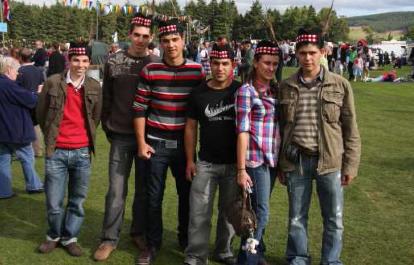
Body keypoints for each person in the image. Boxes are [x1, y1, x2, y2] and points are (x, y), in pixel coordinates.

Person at [278, 29, 361, 265]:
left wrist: (350, 165)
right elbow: (281, 128)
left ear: (322, 52)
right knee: (296, 217)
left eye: (312, 53)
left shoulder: (340, 84)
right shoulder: (285, 86)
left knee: (334, 218)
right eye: (303, 53)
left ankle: (331, 260)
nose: (308, 58)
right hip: (297, 161)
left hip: (331, 161)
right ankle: (298, 257)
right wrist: (282, 163)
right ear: (296, 53)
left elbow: (351, 129)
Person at [133, 19, 205, 265]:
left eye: (175, 39)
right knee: (154, 197)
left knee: (187, 197)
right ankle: (153, 244)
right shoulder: (150, 70)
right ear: (160, 43)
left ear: (183, 40)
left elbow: (202, 110)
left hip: (184, 146)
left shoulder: (197, 72)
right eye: (166, 41)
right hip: (156, 143)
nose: (171, 45)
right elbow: (140, 108)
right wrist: (141, 143)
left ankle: (185, 241)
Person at [93, 14, 160, 262]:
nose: (141, 40)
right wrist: (109, 127)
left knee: (144, 190)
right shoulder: (114, 61)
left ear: (150, 37)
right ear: (129, 35)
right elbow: (106, 98)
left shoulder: (155, 64)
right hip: (120, 135)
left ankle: (138, 232)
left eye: (145, 36)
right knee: (116, 190)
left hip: (148, 137)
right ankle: (109, 238)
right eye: (137, 35)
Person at [36, 41, 102, 257]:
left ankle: (69, 237)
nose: (80, 65)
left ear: (89, 62)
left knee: (77, 201)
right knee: (54, 202)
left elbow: (95, 116)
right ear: (69, 60)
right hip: (56, 151)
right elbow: (41, 114)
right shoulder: (53, 83)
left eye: (84, 61)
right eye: (76, 60)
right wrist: (50, 140)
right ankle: (54, 235)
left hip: (82, 152)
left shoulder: (94, 86)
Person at [183, 44, 241, 265]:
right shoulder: (199, 93)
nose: (219, 68)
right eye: (215, 63)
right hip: (205, 163)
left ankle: (224, 251)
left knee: (229, 213)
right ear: (209, 64)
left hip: (234, 164)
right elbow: (190, 127)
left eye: (225, 63)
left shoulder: (239, 90)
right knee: (199, 213)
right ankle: (196, 255)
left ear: (232, 65)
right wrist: (190, 160)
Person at [235, 40, 281, 265]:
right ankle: (248, 259)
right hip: (254, 161)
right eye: (266, 63)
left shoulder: (275, 90)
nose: (270, 68)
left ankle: (255, 252)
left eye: (274, 64)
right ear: (255, 63)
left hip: (271, 160)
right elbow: (242, 131)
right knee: (259, 213)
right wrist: (241, 168)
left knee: (255, 211)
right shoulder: (246, 91)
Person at [0, 56, 43, 199]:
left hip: (3, 131)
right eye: (16, 71)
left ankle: (4, 191)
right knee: (27, 156)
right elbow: (30, 101)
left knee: (3, 160)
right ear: (9, 69)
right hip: (16, 129)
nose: (18, 74)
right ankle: (34, 185)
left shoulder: (6, 84)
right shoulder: (9, 86)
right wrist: (36, 93)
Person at [17, 48, 45, 158]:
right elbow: (41, 85)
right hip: (36, 100)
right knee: (36, 126)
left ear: (20, 58)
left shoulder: (20, 71)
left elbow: (17, 88)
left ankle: (25, 150)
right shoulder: (38, 70)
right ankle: (38, 150)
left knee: (23, 126)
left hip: (24, 101)